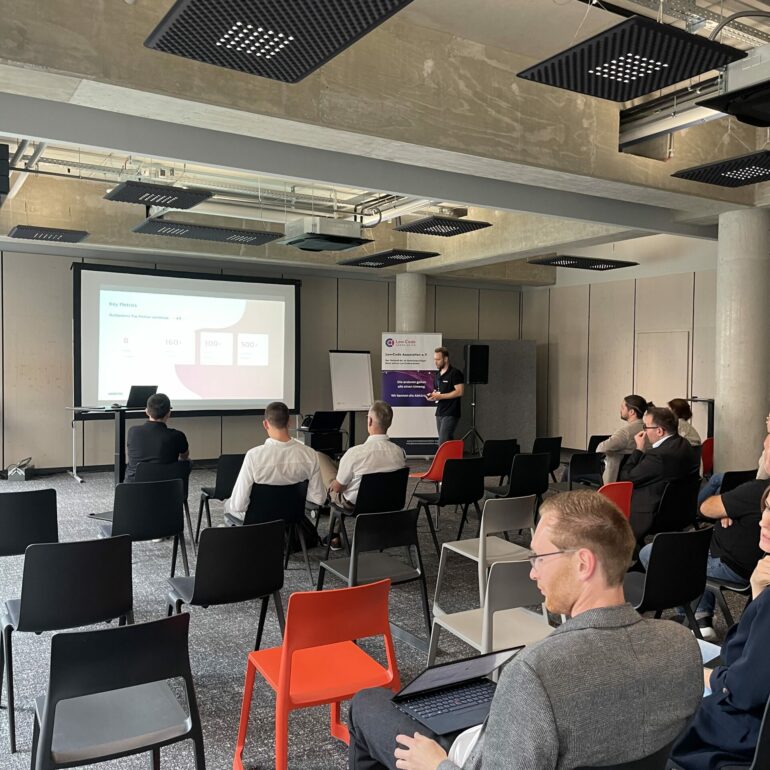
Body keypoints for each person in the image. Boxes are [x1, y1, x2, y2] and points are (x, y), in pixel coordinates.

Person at [347, 490, 703, 770]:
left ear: (582, 563)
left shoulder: (536, 672)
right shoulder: (681, 645)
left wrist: (435, 764)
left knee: (367, 703)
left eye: (539, 558)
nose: (533, 572)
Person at [669, 486, 770, 770]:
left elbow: (743, 690)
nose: (763, 520)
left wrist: (706, 676)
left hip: (734, 738)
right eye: (766, 508)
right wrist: (758, 590)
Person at [640, 438, 770, 641]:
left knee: (650, 552)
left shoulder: (758, 490)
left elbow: (705, 507)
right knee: (696, 550)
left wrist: (724, 508)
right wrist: (729, 510)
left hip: (730, 566)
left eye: (765, 450)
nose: (761, 455)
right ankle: (701, 614)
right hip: (743, 562)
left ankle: (694, 616)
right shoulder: (758, 494)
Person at [224, 401, 325, 520]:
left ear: (265, 424)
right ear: (289, 422)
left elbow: (238, 505)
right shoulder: (310, 455)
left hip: (258, 522)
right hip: (293, 520)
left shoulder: (253, 456)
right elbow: (319, 498)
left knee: (228, 505)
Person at [619, 406, 697, 540]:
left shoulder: (658, 456)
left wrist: (638, 450)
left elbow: (626, 479)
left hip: (653, 513)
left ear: (659, 431)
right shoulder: (684, 445)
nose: (644, 430)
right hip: (681, 510)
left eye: (646, 427)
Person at [317, 400, 406, 510]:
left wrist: (334, 484)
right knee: (342, 467)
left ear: (369, 421)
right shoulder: (399, 452)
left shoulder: (355, 454)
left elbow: (338, 489)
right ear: (389, 423)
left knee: (319, 457)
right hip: (390, 502)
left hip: (355, 505)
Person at [698, 410, 770, 505]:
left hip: (758, 485)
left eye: (768, 418)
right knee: (720, 485)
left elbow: (762, 477)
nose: (766, 421)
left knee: (717, 479)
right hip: (756, 479)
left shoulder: (768, 444)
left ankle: (696, 509)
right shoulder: (767, 440)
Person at [125, 392, 189, 482]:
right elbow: (184, 457)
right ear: (169, 413)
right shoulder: (177, 436)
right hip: (166, 489)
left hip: (133, 490)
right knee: (187, 463)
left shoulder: (133, 432)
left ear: (146, 411)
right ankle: (179, 490)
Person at [596, 394, 647, 484]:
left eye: (622, 407)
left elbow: (601, 448)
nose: (620, 410)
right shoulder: (649, 430)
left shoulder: (625, 432)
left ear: (631, 412)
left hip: (616, 477)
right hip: (640, 476)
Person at [427, 347, 464, 445]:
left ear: (446, 359)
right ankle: (451, 460)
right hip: (440, 412)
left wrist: (441, 396)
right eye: (434, 359)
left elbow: (460, 392)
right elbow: (438, 391)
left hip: (451, 412)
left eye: (438, 359)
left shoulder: (455, 373)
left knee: (442, 443)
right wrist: (433, 395)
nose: (435, 362)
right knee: (447, 442)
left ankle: (443, 460)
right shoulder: (437, 374)